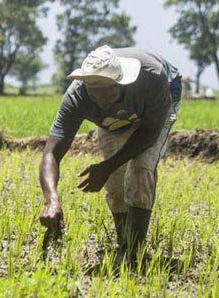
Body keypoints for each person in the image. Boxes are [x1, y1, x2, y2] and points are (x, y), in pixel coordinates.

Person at [39, 45, 182, 263]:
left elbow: (149, 133)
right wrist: (51, 200)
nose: (100, 97)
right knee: (115, 181)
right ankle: (123, 242)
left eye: (107, 90)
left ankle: (133, 252)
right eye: (93, 91)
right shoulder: (77, 97)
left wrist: (107, 166)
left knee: (140, 168)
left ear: (120, 81)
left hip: (159, 100)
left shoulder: (152, 78)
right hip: (114, 121)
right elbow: (51, 153)